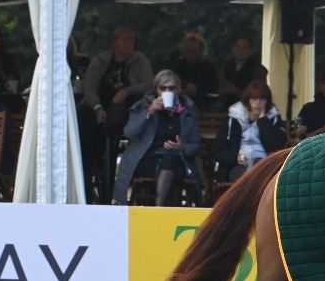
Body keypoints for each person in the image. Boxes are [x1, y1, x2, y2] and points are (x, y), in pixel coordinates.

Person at [113, 70, 200, 206]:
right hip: (147, 158)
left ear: (178, 89)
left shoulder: (187, 110)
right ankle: (159, 209)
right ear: (156, 90)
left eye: (171, 88)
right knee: (167, 161)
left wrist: (182, 147)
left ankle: (158, 208)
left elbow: (196, 144)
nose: (166, 92)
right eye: (162, 88)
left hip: (178, 160)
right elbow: (129, 132)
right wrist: (149, 112)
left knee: (170, 160)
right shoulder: (143, 106)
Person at [210, 81, 287, 181]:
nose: (258, 103)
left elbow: (278, 145)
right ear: (247, 100)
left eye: (262, 99)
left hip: (265, 164)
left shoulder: (273, 119)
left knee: (263, 177)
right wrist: (235, 158)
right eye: (254, 99)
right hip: (239, 165)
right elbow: (216, 150)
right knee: (247, 178)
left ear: (267, 101)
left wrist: (262, 120)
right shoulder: (234, 120)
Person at [82, 26, 155, 130]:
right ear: (114, 43)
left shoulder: (140, 59)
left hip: (131, 105)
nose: (128, 43)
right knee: (84, 119)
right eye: (123, 40)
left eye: (131, 39)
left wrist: (127, 91)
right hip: (101, 104)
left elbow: (149, 84)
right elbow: (90, 88)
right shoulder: (100, 61)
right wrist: (97, 108)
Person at [167, 32, 221, 107]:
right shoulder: (176, 64)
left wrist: (197, 90)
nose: (190, 55)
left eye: (194, 51)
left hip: (200, 106)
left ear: (201, 51)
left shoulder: (208, 68)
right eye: (187, 51)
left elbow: (214, 92)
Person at [218, 34, 267, 105]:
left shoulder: (258, 69)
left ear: (251, 51)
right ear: (233, 49)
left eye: (244, 48)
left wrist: (235, 91)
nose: (240, 51)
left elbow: (258, 95)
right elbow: (221, 88)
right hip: (226, 105)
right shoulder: (227, 66)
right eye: (237, 47)